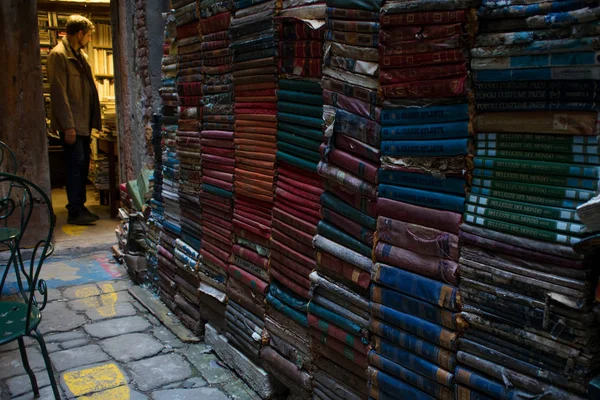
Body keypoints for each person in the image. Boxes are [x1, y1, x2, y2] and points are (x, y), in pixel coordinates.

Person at [48, 15, 102, 225]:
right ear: (79, 33)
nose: (89, 39)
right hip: (73, 125)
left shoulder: (80, 56)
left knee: (82, 163)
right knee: (75, 164)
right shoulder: (58, 56)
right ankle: (74, 210)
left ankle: (80, 206)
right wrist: (68, 126)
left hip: (83, 123)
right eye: (88, 35)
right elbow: (59, 93)